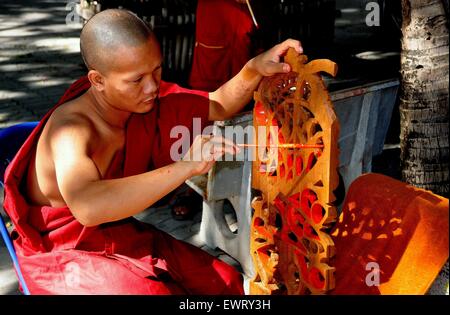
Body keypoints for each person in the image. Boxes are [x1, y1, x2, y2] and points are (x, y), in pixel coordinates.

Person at [3, 9, 302, 294]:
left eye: (157, 70)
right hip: (62, 252)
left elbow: (218, 104)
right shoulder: (71, 131)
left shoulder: (141, 102)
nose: (152, 88)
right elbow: (88, 207)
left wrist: (254, 69)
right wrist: (186, 167)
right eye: (136, 80)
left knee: (225, 283)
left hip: (117, 232)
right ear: (97, 80)